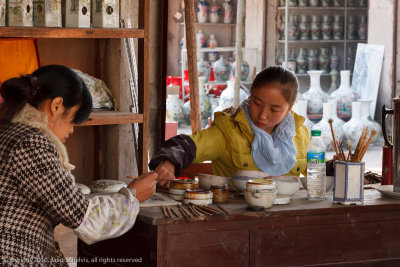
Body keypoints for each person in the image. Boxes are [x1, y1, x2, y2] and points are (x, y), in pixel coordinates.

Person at [0, 65, 157, 265]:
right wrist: (132, 196)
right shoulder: (30, 144)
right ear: (56, 106)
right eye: (73, 120)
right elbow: (87, 219)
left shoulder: (9, 131)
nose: (72, 130)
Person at [150, 66, 310, 186]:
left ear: (289, 108)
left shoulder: (299, 133)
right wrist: (169, 163)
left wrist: (333, 166)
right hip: (236, 220)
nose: (262, 115)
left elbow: (317, 171)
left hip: (288, 218)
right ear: (250, 95)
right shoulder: (228, 130)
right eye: (257, 103)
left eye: (274, 109)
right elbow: (187, 145)